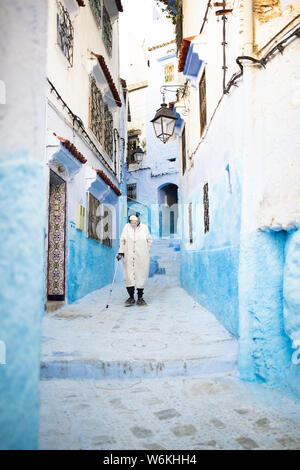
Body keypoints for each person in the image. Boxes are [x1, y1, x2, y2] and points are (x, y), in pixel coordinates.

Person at [117, 213, 152, 306]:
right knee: (128, 276)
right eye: (132, 222)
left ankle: (140, 298)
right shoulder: (126, 227)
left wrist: (145, 251)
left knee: (141, 275)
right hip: (128, 255)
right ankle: (131, 298)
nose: (133, 223)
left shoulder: (144, 228)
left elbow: (149, 240)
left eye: (135, 221)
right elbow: (122, 240)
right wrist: (121, 252)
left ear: (138, 221)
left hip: (141, 256)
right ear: (129, 221)